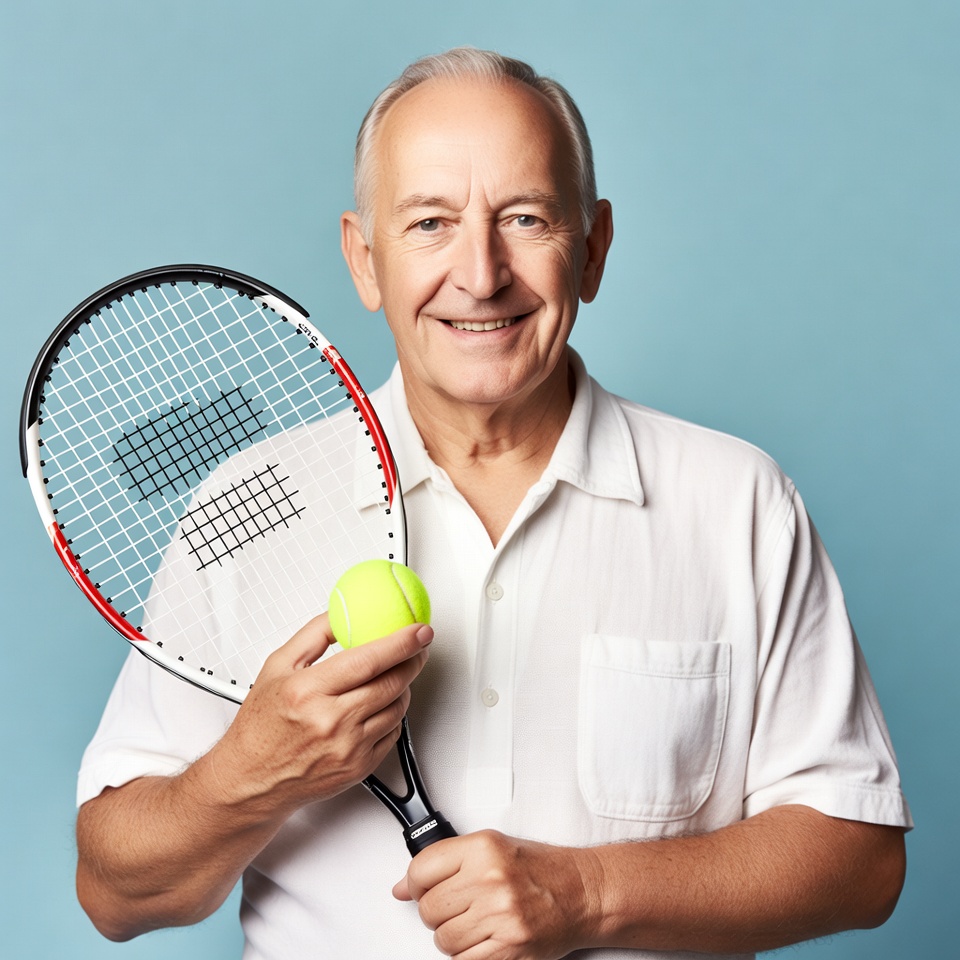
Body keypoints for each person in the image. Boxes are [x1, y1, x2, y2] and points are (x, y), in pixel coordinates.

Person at [75, 48, 911, 960]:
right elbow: (114, 895)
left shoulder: (738, 502)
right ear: (364, 259)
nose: (481, 274)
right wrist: (250, 771)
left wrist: (589, 893)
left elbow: (861, 863)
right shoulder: (249, 507)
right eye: (430, 223)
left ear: (592, 249)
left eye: (525, 218)